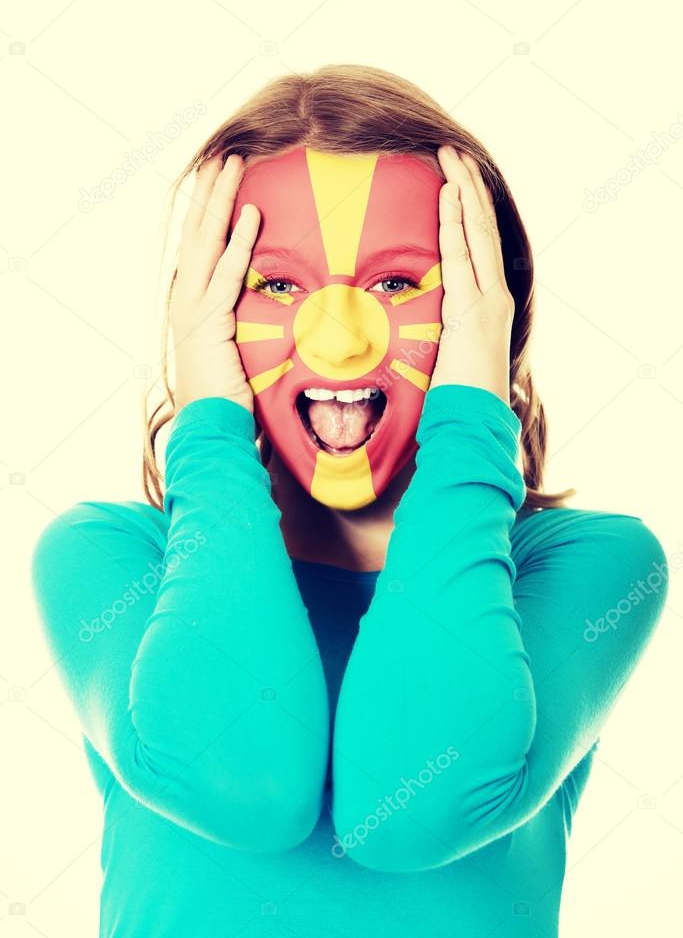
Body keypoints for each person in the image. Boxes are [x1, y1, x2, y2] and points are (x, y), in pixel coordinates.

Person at [31, 64, 668, 937]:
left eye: (397, 284)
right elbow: (240, 787)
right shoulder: (108, 557)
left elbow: (414, 809)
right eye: (276, 285)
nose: (337, 340)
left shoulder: (587, 565)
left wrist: (470, 420)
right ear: (204, 312)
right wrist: (209, 431)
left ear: (485, 310)